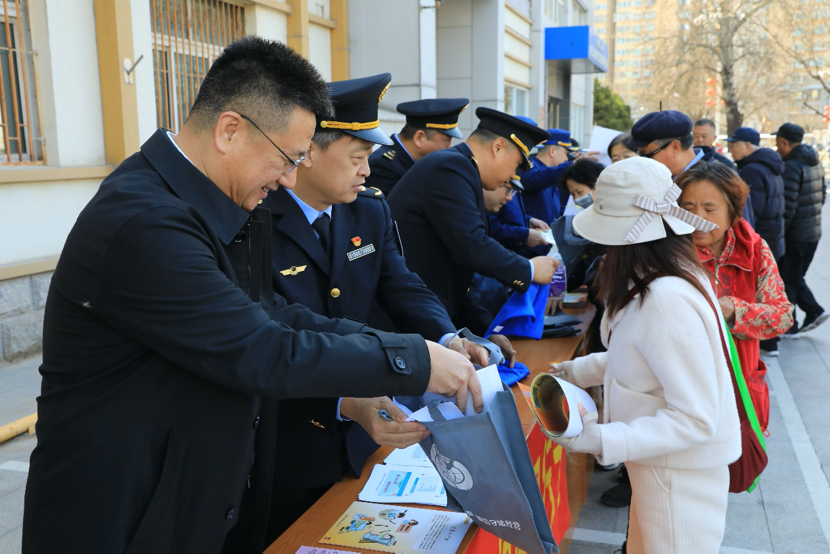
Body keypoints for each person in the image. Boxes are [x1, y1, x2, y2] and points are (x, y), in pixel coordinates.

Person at [22, 37, 482, 554]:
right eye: (288, 157)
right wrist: (412, 360)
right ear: (230, 130)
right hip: (121, 518)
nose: (290, 178)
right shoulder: (147, 222)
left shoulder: (213, 204)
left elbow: (275, 312)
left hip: (184, 500)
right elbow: (261, 350)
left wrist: (380, 371)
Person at [257, 74, 488, 544]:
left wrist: (446, 338)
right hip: (286, 435)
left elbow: (399, 282)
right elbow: (277, 332)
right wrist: (351, 395)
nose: (369, 170)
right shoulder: (256, 217)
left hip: (366, 430)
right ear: (307, 150)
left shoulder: (367, 209)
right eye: (358, 157)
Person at [551, 157, 741, 552]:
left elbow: (694, 417)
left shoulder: (664, 299)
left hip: (676, 477)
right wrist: (575, 371)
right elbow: (640, 361)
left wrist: (602, 438)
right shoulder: (664, 278)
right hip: (664, 469)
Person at [386, 108, 557, 339]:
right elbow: (471, 245)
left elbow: (463, 275)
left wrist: (485, 333)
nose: (512, 176)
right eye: (516, 164)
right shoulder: (451, 168)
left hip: (429, 313)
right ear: (497, 147)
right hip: (407, 318)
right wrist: (529, 269)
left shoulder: (462, 170)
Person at [677, 162, 793, 430]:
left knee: (743, 470)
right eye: (688, 207)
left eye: (709, 208)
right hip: (684, 394)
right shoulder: (668, 254)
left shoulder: (755, 251)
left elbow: (783, 316)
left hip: (742, 390)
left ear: (732, 212)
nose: (697, 218)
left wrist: (735, 310)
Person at [628, 110, 753, 226]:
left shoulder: (723, 179)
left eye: (647, 155)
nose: (643, 161)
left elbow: (744, 235)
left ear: (675, 147)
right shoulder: (654, 180)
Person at [775, 122, 828, 336]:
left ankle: (791, 325)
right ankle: (813, 311)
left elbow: (787, 206)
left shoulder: (791, 167)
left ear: (785, 142)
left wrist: (780, 235)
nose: (777, 148)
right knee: (795, 276)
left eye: (778, 143)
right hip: (812, 232)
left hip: (795, 235)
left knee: (788, 278)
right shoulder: (815, 162)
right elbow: (822, 195)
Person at [365, 97, 469, 195]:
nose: (449, 147)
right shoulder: (383, 168)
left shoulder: (415, 163)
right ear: (420, 138)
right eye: (446, 141)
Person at [521, 128, 598, 224]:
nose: (566, 159)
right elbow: (534, 180)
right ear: (552, 151)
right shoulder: (529, 168)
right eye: (566, 153)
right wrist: (572, 164)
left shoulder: (553, 174)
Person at [488, 174, 552, 258]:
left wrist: (528, 220)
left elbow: (508, 214)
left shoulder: (509, 182)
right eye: (508, 189)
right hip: (502, 257)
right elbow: (490, 227)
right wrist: (524, 235)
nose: (510, 198)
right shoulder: (494, 190)